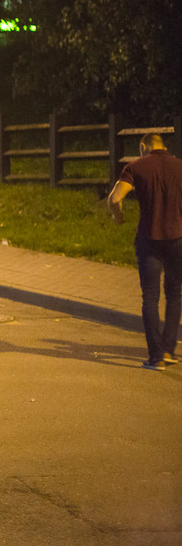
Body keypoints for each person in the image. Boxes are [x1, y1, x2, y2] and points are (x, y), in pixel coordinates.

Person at [108, 133, 182, 370]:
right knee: (175, 293)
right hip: (178, 238)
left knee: (150, 296)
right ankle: (170, 351)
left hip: (148, 239)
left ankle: (156, 357)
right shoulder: (179, 166)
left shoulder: (136, 166)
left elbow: (114, 198)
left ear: (143, 146)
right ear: (164, 146)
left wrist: (118, 218)